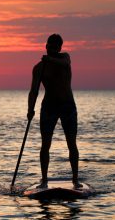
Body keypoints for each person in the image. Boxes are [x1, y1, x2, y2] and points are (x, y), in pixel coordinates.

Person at [27, 34, 82, 188]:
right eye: (49, 46)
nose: (50, 49)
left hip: (67, 106)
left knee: (72, 143)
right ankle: (44, 180)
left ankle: (75, 180)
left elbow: (64, 63)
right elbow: (34, 91)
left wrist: (49, 59)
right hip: (49, 107)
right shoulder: (39, 68)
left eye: (54, 46)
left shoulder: (65, 58)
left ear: (59, 48)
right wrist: (30, 109)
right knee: (45, 144)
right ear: (46, 46)